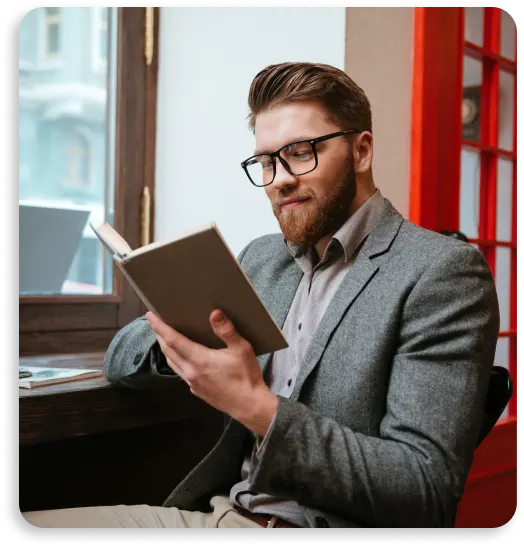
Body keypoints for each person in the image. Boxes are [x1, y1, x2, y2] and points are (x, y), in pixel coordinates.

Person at [23, 62, 499, 529]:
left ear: (362, 151)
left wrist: (255, 407)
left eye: (301, 152)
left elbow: (425, 491)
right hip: (219, 511)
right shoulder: (263, 259)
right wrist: (184, 346)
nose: (279, 179)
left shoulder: (441, 272)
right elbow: (119, 360)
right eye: (266, 161)